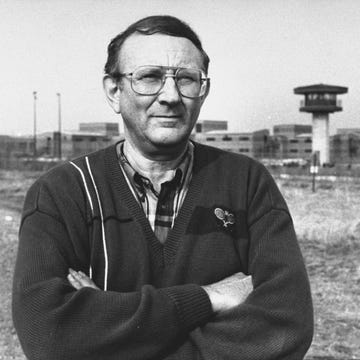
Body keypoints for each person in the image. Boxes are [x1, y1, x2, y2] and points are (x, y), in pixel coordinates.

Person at [12, 15, 313, 360]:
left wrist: (108, 330)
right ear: (114, 91)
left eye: (186, 79)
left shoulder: (247, 183)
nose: (170, 96)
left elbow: (286, 325)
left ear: (204, 91)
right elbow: (49, 335)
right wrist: (208, 299)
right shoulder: (61, 193)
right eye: (149, 77)